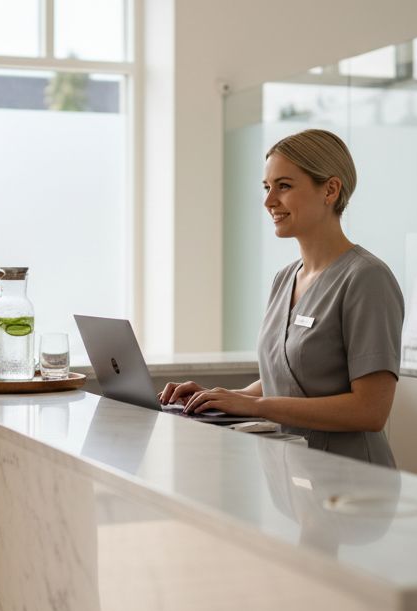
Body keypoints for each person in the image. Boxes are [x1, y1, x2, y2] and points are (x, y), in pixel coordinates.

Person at [160, 129, 404, 467]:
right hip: (292, 471)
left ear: (330, 190)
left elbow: (371, 410)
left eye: (284, 186)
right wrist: (218, 398)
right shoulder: (284, 279)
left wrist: (255, 407)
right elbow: (288, 379)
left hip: (351, 479)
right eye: (266, 187)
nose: (269, 200)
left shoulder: (366, 278)